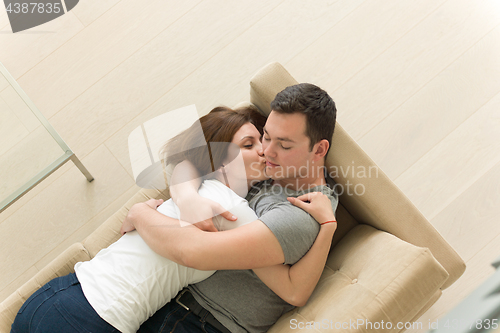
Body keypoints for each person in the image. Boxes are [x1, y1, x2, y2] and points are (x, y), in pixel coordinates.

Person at [11, 105, 337, 333]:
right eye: (250, 144)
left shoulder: (195, 188)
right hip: (89, 318)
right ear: (219, 159)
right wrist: (327, 226)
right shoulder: (229, 210)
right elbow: (293, 290)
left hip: (57, 297)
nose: (265, 151)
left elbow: (185, 167)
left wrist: (142, 213)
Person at [126, 83, 339, 333]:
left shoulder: (300, 213)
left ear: (319, 149)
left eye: (284, 145)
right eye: (266, 136)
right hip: (164, 298)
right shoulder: (277, 168)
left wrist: (139, 213)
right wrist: (187, 199)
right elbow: (189, 163)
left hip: (201, 321)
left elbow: (192, 251)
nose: (265, 151)